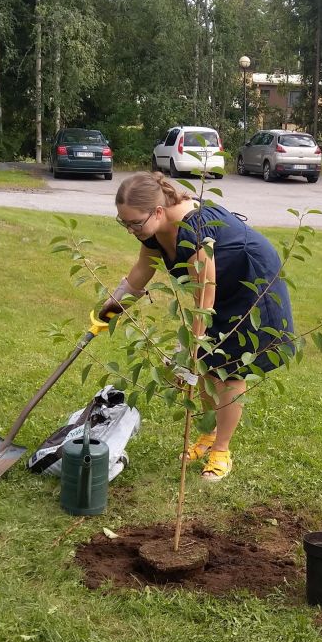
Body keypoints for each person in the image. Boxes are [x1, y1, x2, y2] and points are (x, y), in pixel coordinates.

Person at [91, 171, 294, 483]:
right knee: (205, 367)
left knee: (228, 370)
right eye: (124, 222)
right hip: (218, 289)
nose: (130, 230)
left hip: (250, 288)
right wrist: (108, 310)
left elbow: (203, 303)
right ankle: (207, 436)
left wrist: (188, 352)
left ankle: (222, 451)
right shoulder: (152, 230)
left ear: (157, 211)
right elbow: (141, 272)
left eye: (134, 223)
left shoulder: (194, 233)